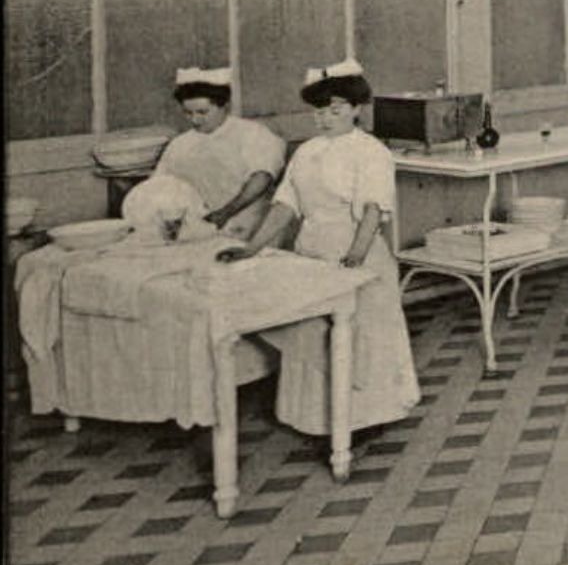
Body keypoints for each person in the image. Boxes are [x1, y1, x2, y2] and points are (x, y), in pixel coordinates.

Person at [218, 59, 419, 432]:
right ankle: (314, 419)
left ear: (356, 109)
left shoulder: (370, 151)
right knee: (313, 335)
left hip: (355, 252)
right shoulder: (307, 152)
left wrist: (354, 258)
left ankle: (366, 418)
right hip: (311, 251)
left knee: (359, 334)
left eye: (336, 109)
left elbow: (374, 210)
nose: (325, 118)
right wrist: (251, 249)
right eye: (319, 111)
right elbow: (284, 206)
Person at [154, 66, 286, 240]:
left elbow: (262, 177)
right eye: (188, 113)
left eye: (203, 112)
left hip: (249, 226)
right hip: (200, 229)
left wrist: (226, 212)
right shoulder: (179, 145)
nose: (195, 119)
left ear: (224, 106)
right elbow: (159, 185)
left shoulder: (253, 134)